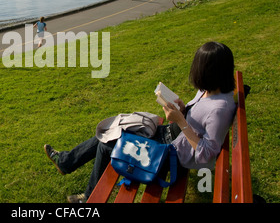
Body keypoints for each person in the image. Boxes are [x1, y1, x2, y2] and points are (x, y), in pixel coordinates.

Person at [44, 42, 236, 203]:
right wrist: (183, 110)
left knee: (106, 145)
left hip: (170, 154)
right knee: (115, 128)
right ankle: (66, 162)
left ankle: (88, 196)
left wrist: (180, 121)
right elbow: (199, 122)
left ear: (208, 72)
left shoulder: (219, 109)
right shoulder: (210, 89)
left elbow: (206, 156)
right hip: (168, 136)